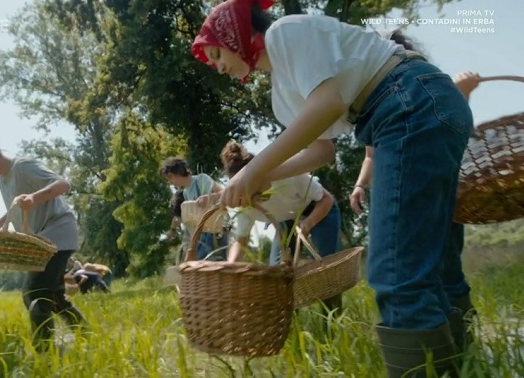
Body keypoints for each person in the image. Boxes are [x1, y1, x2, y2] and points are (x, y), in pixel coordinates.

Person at [191, 2, 474, 376]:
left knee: (396, 272)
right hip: (418, 106)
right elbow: (322, 151)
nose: (218, 65)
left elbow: (328, 105)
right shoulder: (282, 95)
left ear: (234, 34)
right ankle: (466, 361)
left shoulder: (284, 33)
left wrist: (254, 169)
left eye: (216, 53)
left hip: (408, 100)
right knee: (434, 259)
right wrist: (262, 177)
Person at [349, 34, 482, 352]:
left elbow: (445, 127)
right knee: (439, 265)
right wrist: (359, 184)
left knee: (431, 265)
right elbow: (371, 155)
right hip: (405, 177)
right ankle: (462, 358)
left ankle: (462, 351)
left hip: (432, 175)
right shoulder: (380, 94)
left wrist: (463, 92)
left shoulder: (415, 88)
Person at [0, 137, 86, 353]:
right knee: (53, 295)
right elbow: (15, 207)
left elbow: (63, 184)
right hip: (43, 240)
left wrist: (35, 198)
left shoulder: (23, 166)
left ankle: (45, 352)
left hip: (58, 232)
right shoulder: (2, 178)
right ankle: (86, 334)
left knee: (35, 293)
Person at [220, 140, 343, 313]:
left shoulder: (289, 175)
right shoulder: (244, 204)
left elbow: (326, 199)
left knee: (327, 266)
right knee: (279, 272)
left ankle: (332, 321)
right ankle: (290, 323)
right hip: (286, 222)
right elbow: (241, 240)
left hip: (319, 209)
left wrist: (308, 223)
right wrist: (230, 265)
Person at [160, 158, 228, 261]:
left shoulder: (201, 179)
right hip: (206, 235)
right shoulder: (186, 193)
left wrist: (209, 198)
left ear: (177, 173)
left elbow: (225, 194)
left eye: (170, 177)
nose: (170, 182)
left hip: (221, 230)